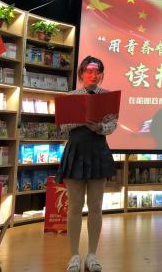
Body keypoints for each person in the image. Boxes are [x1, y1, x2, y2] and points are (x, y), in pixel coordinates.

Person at [56, 56, 117, 272]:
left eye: (97, 71)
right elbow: (62, 127)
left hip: (98, 151)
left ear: (101, 74)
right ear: (81, 73)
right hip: (75, 151)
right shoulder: (71, 96)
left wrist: (99, 127)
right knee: (74, 206)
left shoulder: (108, 97)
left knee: (96, 206)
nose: (93, 75)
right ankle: (74, 255)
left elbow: (112, 125)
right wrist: (82, 119)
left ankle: (92, 254)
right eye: (89, 71)